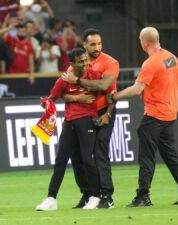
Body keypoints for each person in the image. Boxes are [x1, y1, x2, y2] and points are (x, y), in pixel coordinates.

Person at [109, 27, 178, 207]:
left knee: (146, 157)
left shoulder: (150, 63)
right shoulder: (171, 58)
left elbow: (137, 89)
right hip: (169, 114)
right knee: (170, 155)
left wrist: (115, 96)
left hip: (154, 116)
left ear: (144, 43)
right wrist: (169, 99)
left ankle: (143, 195)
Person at [35, 48, 101, 211]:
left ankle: (95, 197)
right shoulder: (64, 79)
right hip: (69, 122)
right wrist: (46, 102)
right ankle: (51, 199)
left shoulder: (93, 75)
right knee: (60, 160)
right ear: (72, 64)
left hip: (87, 120)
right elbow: (53, 97)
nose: (85, 63)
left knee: (87, 159)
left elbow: (103, 88)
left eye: (86, 60)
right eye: (81, 61)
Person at [61, 28, 119, 208]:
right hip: (83, 114)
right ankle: (87, 194)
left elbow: (106, 87)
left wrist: (108, 114)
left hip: (103, 112)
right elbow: (63, 92)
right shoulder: (76, 64)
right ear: (84, 45)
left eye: (99, 43)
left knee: (100, 151)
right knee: (78, 155)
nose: (97, 47)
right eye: (92, 44)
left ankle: (107, 196)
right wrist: (76, 97)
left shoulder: (110, 62)